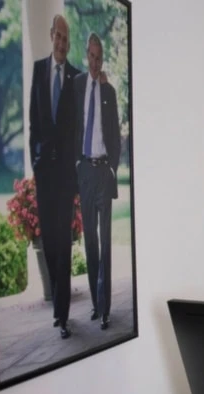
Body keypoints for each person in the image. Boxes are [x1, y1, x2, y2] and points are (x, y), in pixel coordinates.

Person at [29, 15, 79, 339]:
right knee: (49, 239)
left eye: (65, 39)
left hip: (65, 174)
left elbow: (78, 127)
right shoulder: (38, 70)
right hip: (44, 171)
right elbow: (34, 119)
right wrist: (35, 160)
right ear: (51, 37)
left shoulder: (76, 77)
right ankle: (60, 300)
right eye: (57, 37)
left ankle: (61, 314)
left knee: (63, 240)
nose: (61, 43)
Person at [73, 33, 121, 331]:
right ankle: (94, 302)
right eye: (91, 56)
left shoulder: (109, 91)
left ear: (103, 59)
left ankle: (105, 309)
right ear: (85, 56)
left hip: (104, 172)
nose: (94, 62)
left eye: (99, 57)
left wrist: (114, 167)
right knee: (90, 241)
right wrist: (75, 164)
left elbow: (114, 132)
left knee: (105, 243)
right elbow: (70, 126)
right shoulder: (78, 86)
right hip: (85, 173)